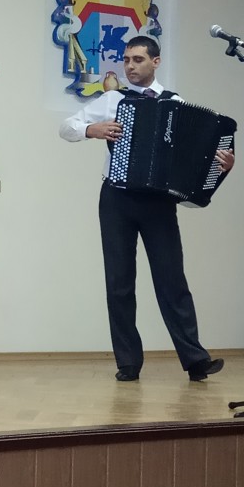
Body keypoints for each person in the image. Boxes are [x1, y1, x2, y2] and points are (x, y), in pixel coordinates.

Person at [59, 36, 235, 382]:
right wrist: (91, 129)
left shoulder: (176, 103)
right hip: (117, 197)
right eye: (126, 60)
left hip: (159, 202)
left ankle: (195, 360)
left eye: (138, 59)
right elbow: (66, 128)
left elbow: (196, 160)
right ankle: (128, 362)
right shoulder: (112, 99)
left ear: (156, 62)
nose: (130, 66)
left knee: (172, 280)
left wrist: (221, 167)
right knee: (119, 282)